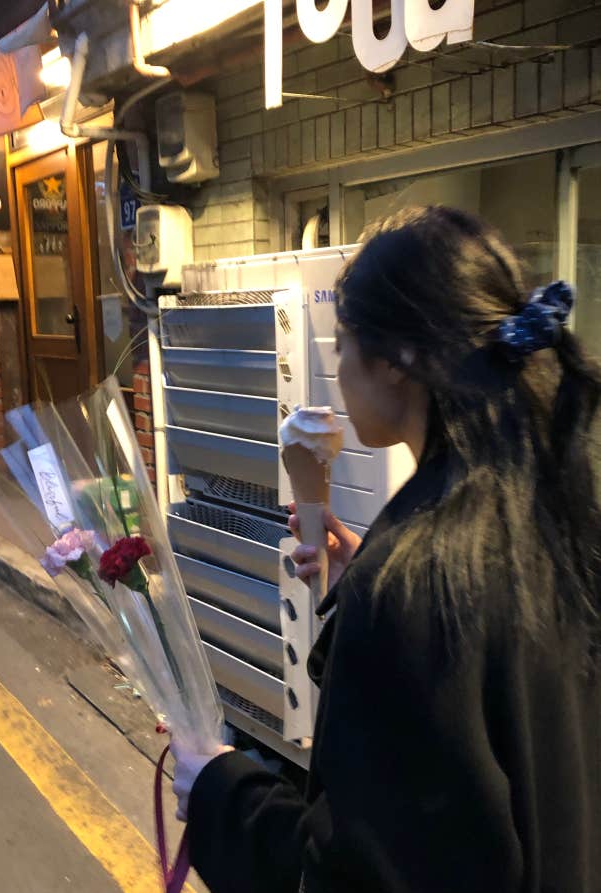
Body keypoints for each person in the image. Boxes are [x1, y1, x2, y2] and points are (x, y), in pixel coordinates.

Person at [171, 206, 601, 893]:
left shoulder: (414, 583)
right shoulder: (554, 515)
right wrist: (363, 578)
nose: (338, 366)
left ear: (398, 359)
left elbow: (353, 871)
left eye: (344, 342)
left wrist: (220, 789)